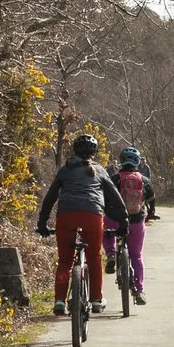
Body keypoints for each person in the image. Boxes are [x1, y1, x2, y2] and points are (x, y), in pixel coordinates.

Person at [35, 134, 126, 316]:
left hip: (66, 216)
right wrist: (124, 221)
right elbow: (115, 197)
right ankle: (96, 300)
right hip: (92, 215)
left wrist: (42, 222)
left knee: (65, 261)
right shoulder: (100, 170)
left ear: (74, 151)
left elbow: (50, 198)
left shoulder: (65, 170)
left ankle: (60, 301)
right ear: (94, 153)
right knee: (93, 258)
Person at [107, 146, 158, 305]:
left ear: (121, 161)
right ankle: (140, 290)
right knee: (136, 256)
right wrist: (149, 214)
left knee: (106, 232)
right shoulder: (144, 180)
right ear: (137, 161)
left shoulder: (114, 179)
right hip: (136, 221)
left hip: (115, 220)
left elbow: (105, 199)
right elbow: (151, 202)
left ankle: (110, 255)